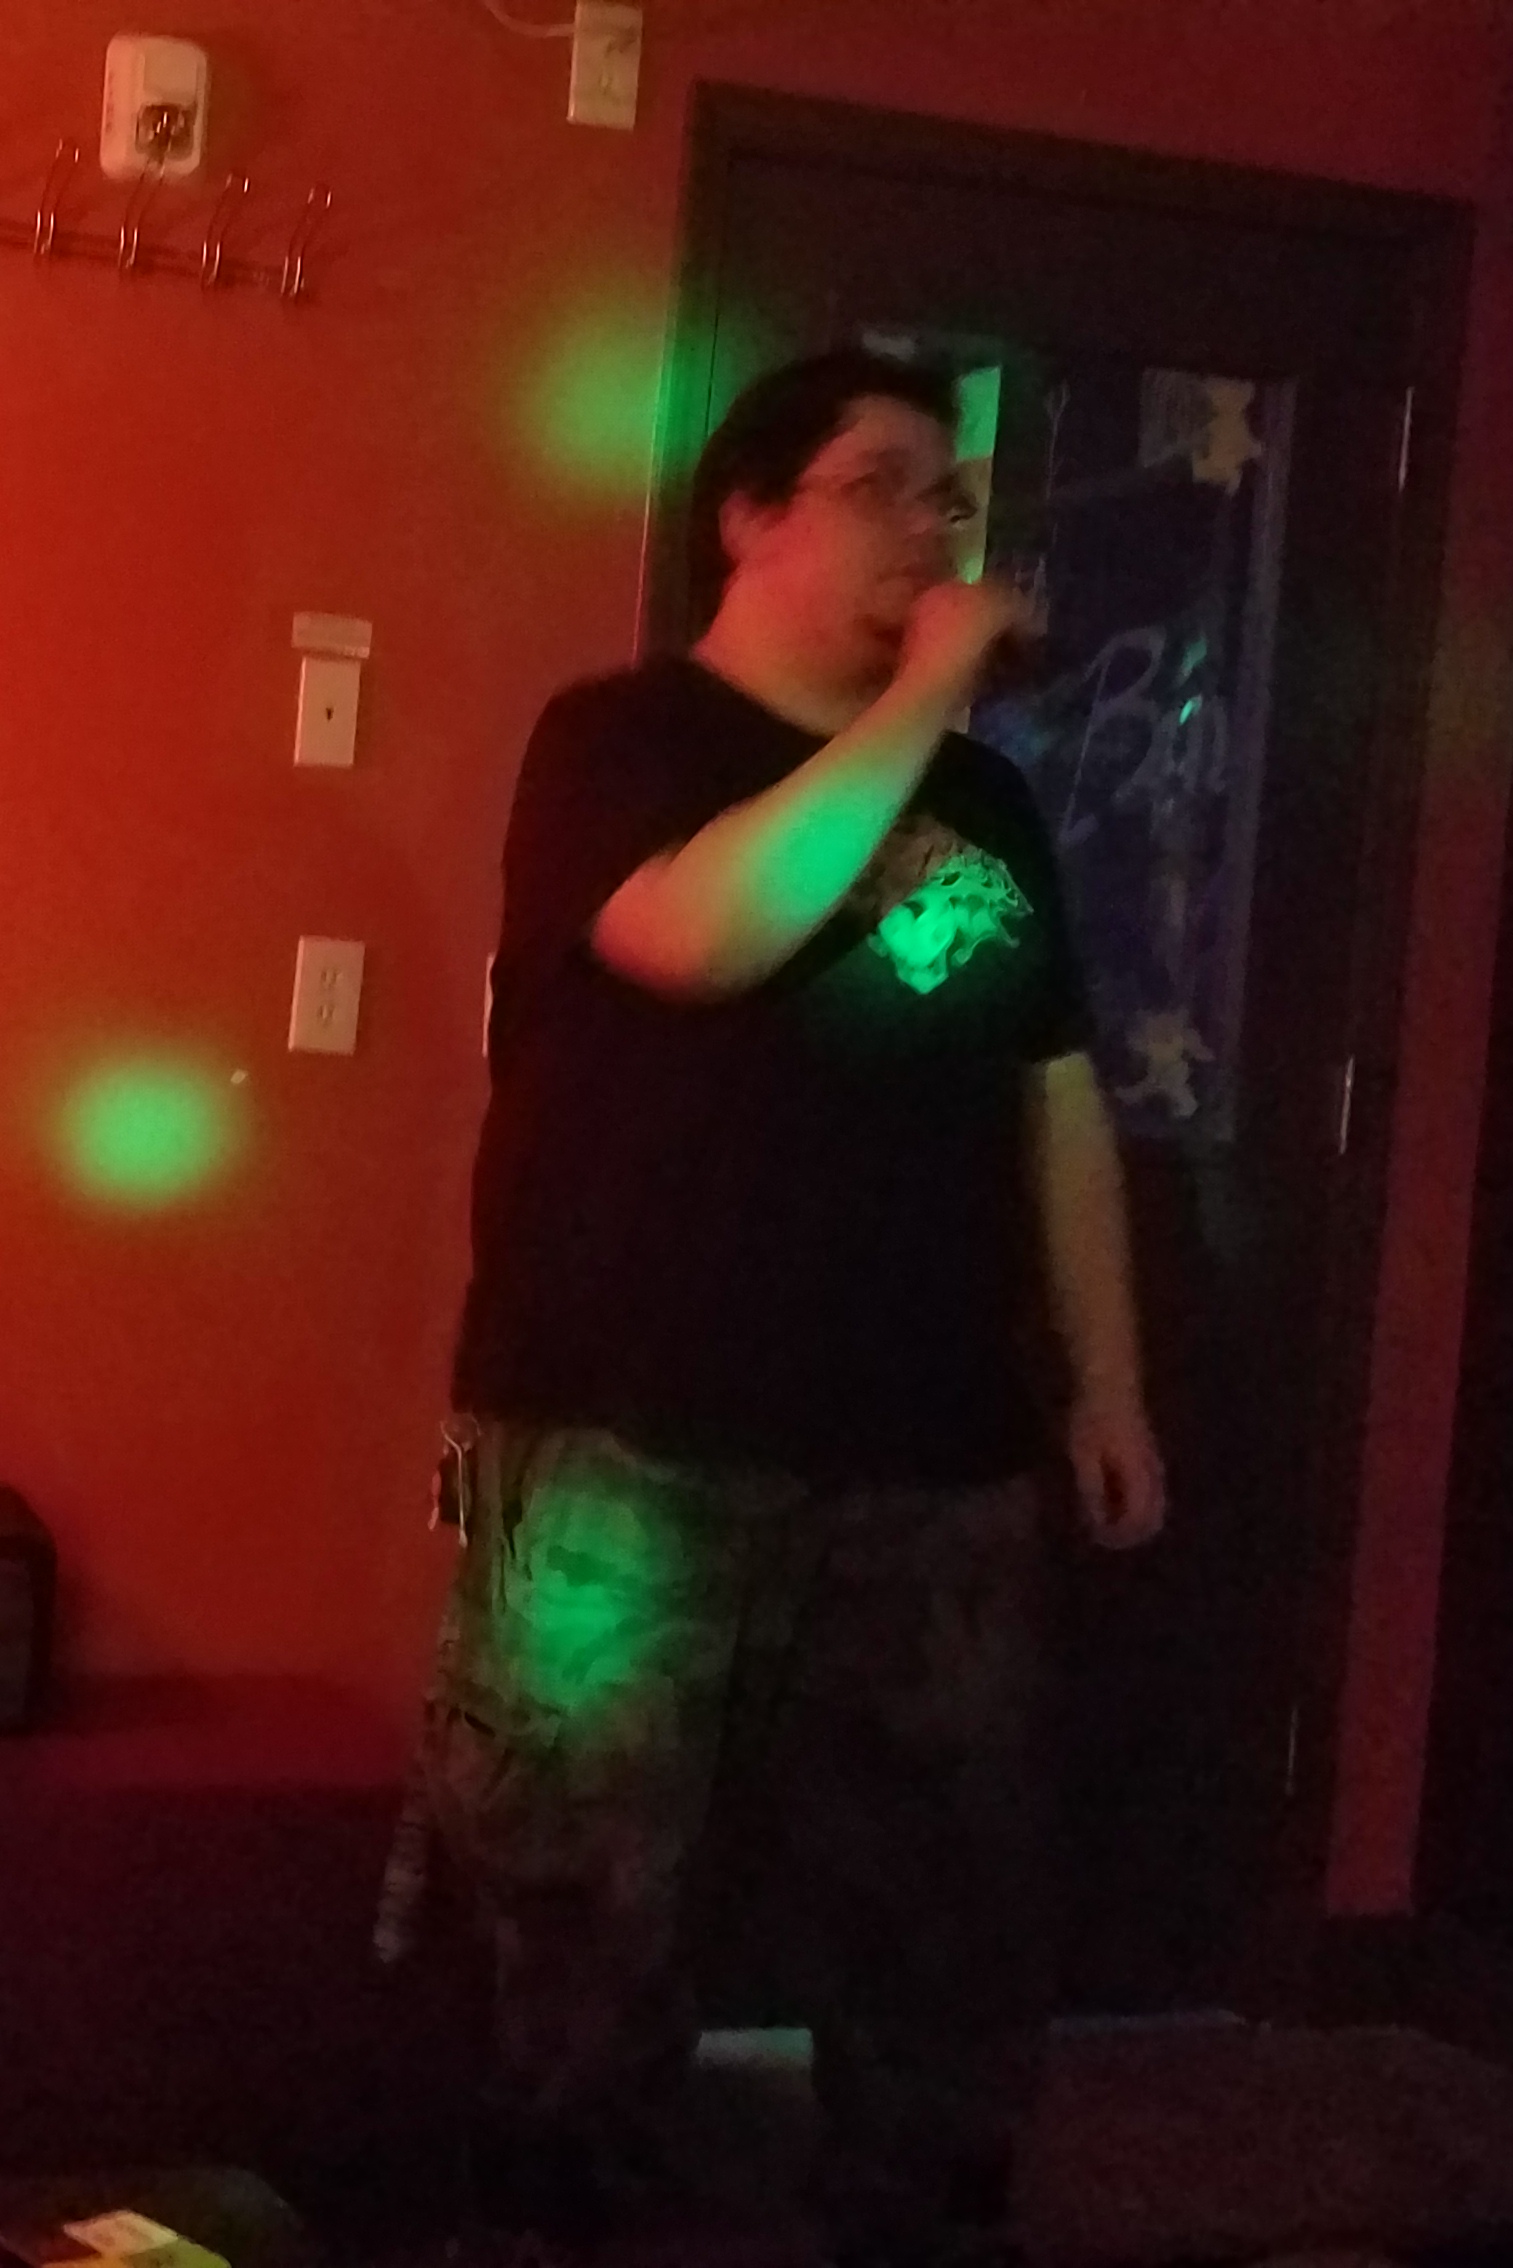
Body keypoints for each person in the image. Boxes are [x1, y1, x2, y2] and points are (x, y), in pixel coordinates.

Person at [415, 349, 1167, 2268]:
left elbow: (1055, 1095)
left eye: (951, 497)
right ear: (749, 515)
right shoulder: (621, 740)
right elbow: (705, 934)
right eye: (883, 483)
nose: (935, 527)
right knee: (580, 1906)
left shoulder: (989, 807)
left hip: (936, 1443)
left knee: (950, 1919)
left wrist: (1110, 1382)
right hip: (623, 1437)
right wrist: (925, 692)